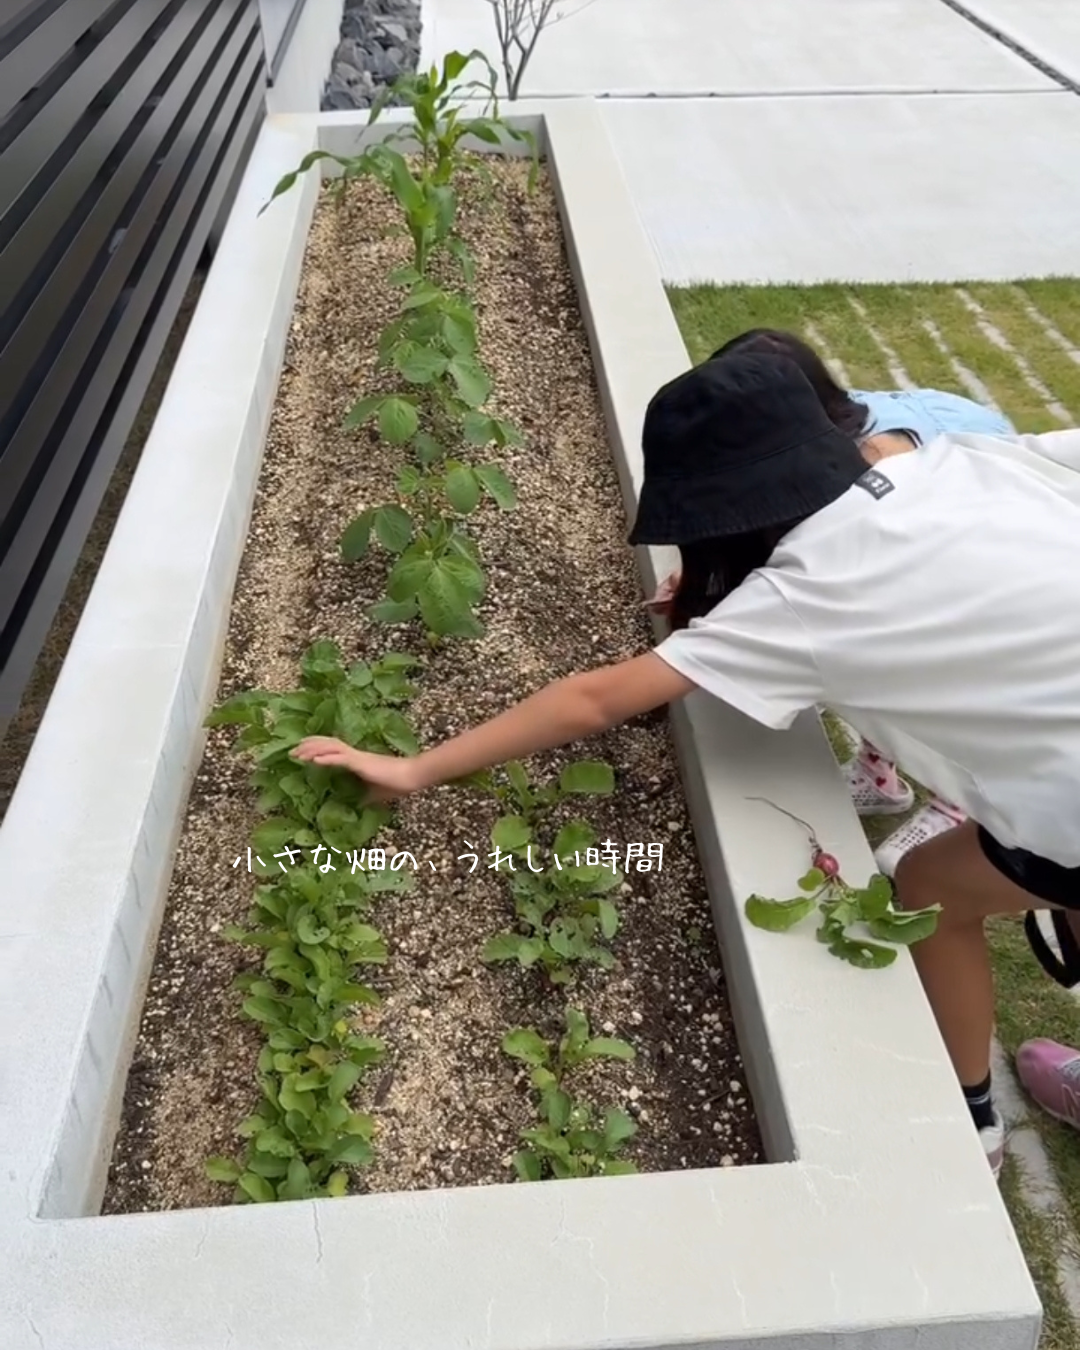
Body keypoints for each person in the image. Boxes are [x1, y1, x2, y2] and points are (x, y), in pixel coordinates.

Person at [294, 350, 1080, 1177]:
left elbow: (598, 698)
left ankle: (974, 1128)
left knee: (929, 888)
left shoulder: (803, 600)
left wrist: (415, 769)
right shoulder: (959, 459)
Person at [695, 328, 1016, 879]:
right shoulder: (831, 423)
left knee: (924, 666)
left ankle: (961, 805)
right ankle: (880, 776)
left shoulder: (880, 474)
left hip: (997, 555)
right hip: (954, 522)